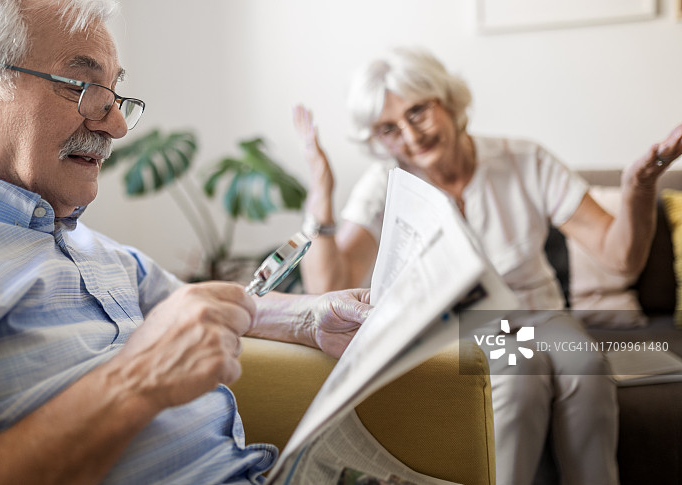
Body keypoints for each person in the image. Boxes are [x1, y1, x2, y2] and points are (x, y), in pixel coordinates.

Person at [0, 0, 373, 485]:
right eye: (85, 88)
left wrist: (312, 315)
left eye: (114, 94)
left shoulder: (81, 242)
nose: (115, 124)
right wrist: (138, 378)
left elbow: (189, 300)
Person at [292, 46, 682, 485]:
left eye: (418, 112)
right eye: (389, 129)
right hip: (458, 332)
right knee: (520, 371)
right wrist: (321, 193)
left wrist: (638, 187)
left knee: (585, 364)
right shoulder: (384, 185)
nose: (411, 136)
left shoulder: (524, 159)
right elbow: (328, 283)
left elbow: (620, 258)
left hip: (540, 316)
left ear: (448, 101)